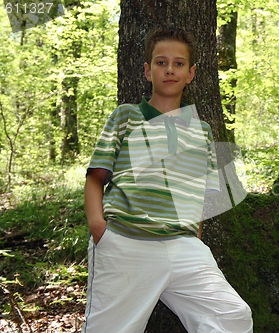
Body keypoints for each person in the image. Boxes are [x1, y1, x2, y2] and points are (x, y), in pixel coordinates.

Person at [82, 26, 253, 333]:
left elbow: (198, 196)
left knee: (232, 315)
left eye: (178, 63)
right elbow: (95, 177)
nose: (169, 70)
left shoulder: (201, 132)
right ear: (148, 71)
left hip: (183, 247)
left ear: (191, 73)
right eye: (161, 63)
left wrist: (194, 240)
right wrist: (100, 229)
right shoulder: (126, 116)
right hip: (126, 241)